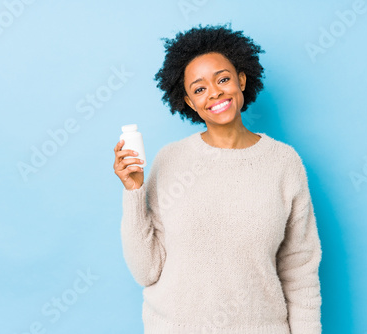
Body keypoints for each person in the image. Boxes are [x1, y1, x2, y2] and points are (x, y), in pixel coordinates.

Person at [113, 23, 322, 334]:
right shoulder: (170, 160)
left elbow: (300, 269)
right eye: (199, 88)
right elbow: (147, 270)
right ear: (188, 101)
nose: (214, 92)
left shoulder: (283, 163)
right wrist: (134, 192)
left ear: (241, 79)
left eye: (223, 79)